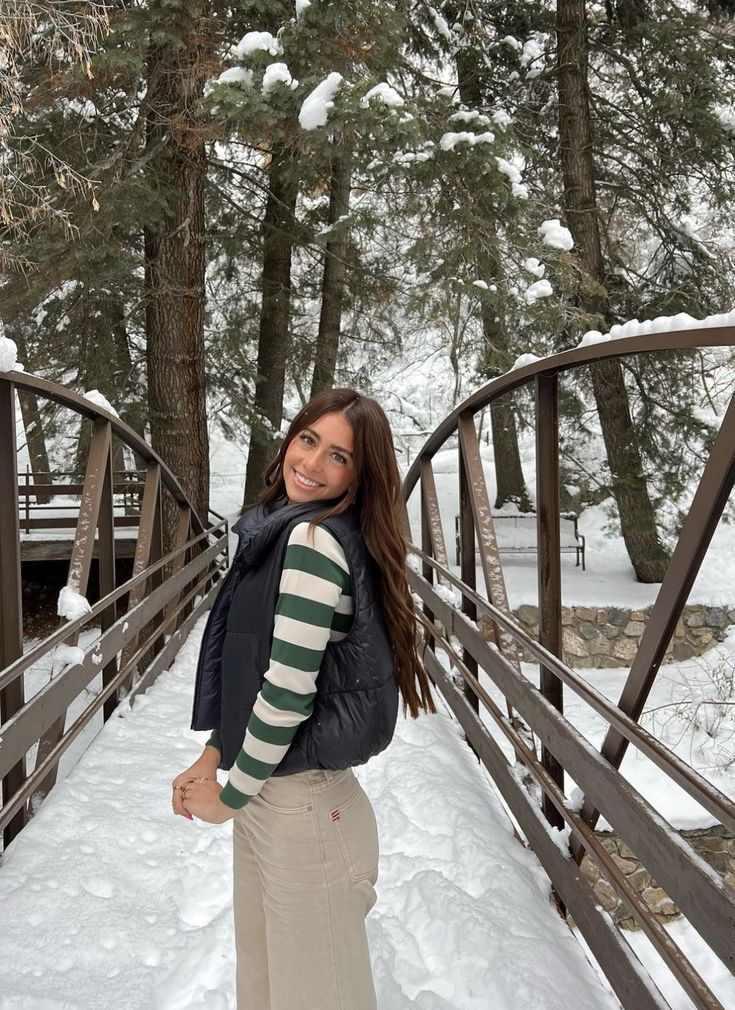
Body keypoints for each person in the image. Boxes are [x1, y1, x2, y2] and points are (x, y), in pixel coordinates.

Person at [171, 387, 436, 1010]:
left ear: (361, 474)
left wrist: (229, 796)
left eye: (339, 457)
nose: (312, 465)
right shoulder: (282, 531)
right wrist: (216, 752)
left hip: (305, 817)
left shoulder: (311, 542)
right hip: (275, 800)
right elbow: (258, 666)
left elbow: (288, 692)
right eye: (308, 440)